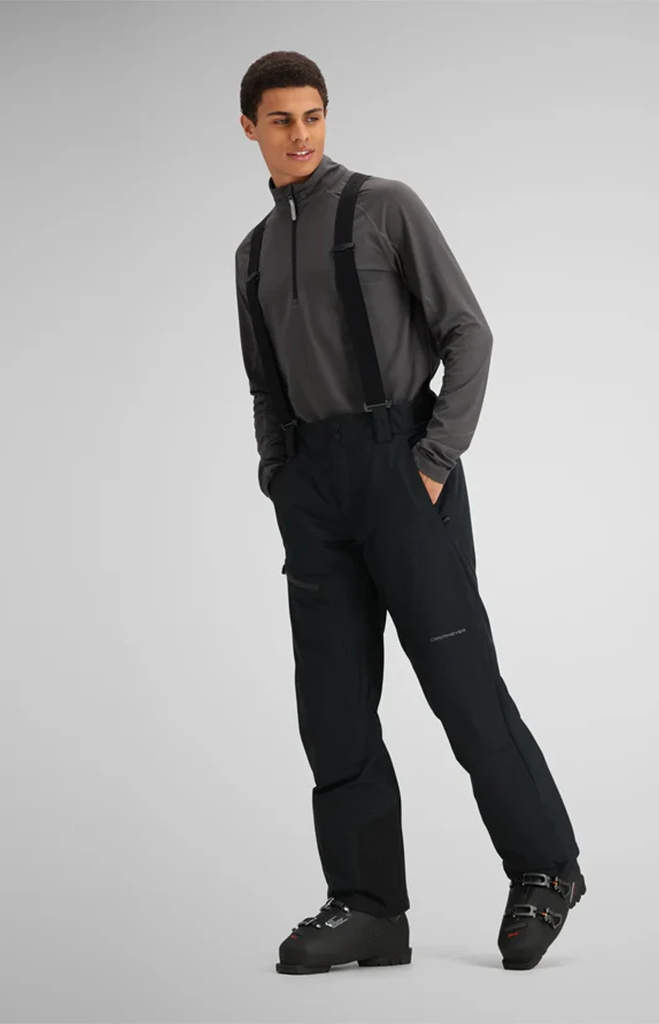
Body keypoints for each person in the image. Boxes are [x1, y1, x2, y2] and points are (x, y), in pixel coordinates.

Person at [234, 50, 586, 974]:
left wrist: (431, 463)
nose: (301, 134)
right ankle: (368, 905)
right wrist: (279, 475)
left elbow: (470, 332)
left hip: (400, 466)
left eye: (313, 115)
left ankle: (546, 869)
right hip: (313, 489)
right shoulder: (252, 254)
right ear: (249, 128)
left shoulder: (385, 207)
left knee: (461, 686)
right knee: (332, 705)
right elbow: (265, 385)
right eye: (281, 119)